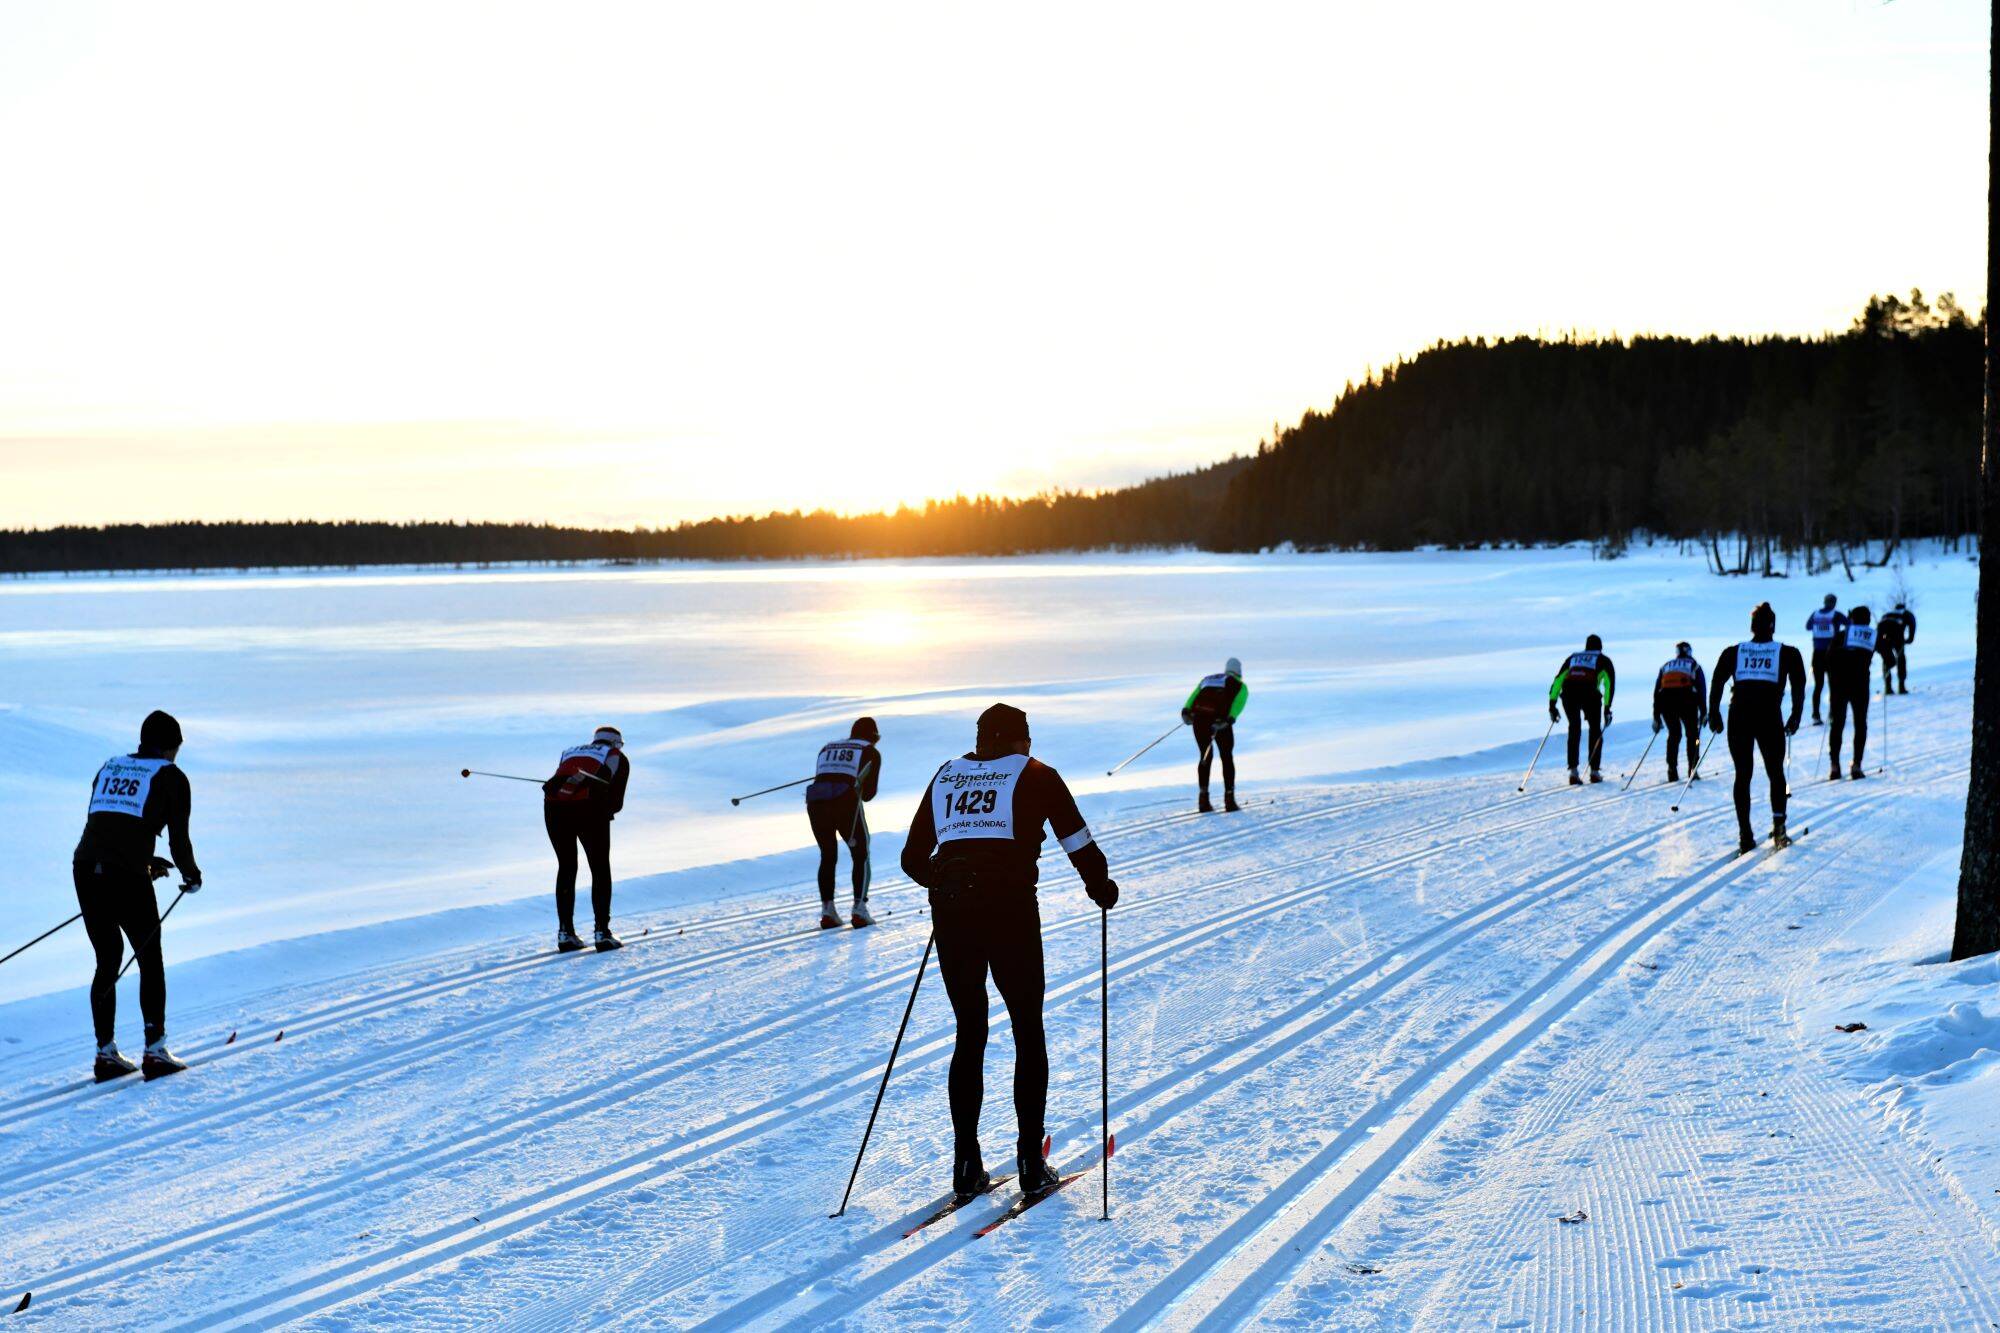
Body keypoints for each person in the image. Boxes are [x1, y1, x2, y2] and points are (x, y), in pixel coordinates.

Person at [900, 703, 1120, 1201]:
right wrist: (1099, 886)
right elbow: (1077, 840)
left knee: (970, 1030)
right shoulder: (1036, 774)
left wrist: (947, 882)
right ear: (1021, 741)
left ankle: (965, 1163)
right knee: (1027, 1025)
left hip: (953, 914)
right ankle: (1029, 1161)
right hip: (1010, 911)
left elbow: (912, 857)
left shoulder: (947, 775)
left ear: (980, 741)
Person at [73, 709, 203, 1082]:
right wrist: (191, 874)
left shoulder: (110, 767)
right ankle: (155, 1049)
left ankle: (105, 1053)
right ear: (169, 748)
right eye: (176, 749)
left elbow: (110, 827)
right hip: (124, 873)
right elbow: (179, 839)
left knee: (107, 957)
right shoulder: (171, 777)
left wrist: (143, 860)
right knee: (149, 957)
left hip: (85, 867)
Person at [1707, 603, 1806, 853]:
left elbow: (1717, 680)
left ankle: (1745, 835)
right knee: (1775, 773)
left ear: (1751, 626)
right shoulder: (1787, 653)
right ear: (1773, 625)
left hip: (1738, 716)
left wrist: (1713, 713)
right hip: (1768, 717)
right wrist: (1795, 715)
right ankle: (1779, 831)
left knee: (1743, 775)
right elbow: (1799, 685)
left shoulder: (1734, 651)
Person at [542, 726, 630, 952]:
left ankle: (565, 934)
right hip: (589, 809)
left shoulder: (570, 751)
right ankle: (602, 933)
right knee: (600, 867)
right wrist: (602, 812)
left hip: (554, 808)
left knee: (566, 866)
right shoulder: (616, 757)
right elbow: (616, 802)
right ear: (616, 743)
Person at [805, 717, 881, 929]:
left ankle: (828, 911)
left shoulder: (827, 748)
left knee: (828, 855)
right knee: (861, 854)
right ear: (873, 737)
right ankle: (859, 909)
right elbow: (868, 795)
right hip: (846, 805)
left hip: (816, 804)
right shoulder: (870, 751)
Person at [1182, 658, 1249, 812]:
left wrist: (1186, 712)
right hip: (1220, 723)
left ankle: (1203, 801)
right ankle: (1229, 800)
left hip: (1199, 721)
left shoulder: (1207, 680)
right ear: (1239, 671)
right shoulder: (1240, 685)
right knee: (1226, 757)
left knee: (1205, 757)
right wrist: (1229, 719)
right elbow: (1237, 705)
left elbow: (1191, 699)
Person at [1548, 636, 1615, 784]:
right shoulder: (1603, 660)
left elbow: (1558, 679)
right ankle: (1594, 772)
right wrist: (1607, 708)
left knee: (1574, 728)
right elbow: (1609, 684)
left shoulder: (1573, 657)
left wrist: (1552, 704)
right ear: (1600, 647)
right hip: (1590, 694)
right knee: (1595, 730)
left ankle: (1573, 772)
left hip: (1568, 694)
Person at [1827, 606, 1876, 781]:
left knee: (1837, 724)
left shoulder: (1841, 635)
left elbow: (1828, 659)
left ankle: (1834, 766)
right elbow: (1891, 658)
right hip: (1860, 684)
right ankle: (1856, 765)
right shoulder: (1872, 635)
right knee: (1860, 723)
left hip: (1839, 685)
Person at [1651, 642, 1707, 784]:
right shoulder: (1694, 665)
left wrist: (1656, 715)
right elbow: (1701, 689)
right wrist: (1704, 711)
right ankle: (1692, 768)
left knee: (1674, 734)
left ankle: (1672, 769)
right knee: (1693, 736)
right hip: (1687, 701)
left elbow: (1657, 691)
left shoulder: (1666, 666)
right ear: (1689, 651)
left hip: (1665, 703)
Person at [1804, 594, 1847, 725]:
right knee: (1834, 685)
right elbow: (1850, 624)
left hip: (1817, 654)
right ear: (1834, 603)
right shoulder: (1836, 614)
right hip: (1832, 654)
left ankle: (1816, 715)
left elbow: (1808, 627)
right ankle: (1833, 714)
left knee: (1818, 686)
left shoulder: (1815, 614)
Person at [1878, 601, 1916, 694]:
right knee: (1901, 659)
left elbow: (1879, 627)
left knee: (1887, 660)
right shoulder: (1907, 613)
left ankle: (1888, 688)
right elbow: (1912, 625)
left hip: (1883, 637)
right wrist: (1910, 639)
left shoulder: (1887, 614)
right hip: (1897, 636)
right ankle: (1901, 687)